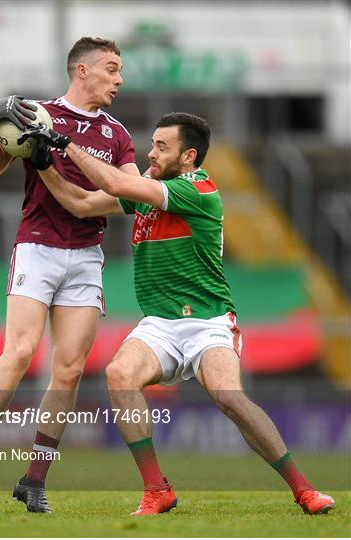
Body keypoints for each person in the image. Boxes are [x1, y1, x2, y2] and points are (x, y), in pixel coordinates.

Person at [17, 113, 336, 516]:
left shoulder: (196, 188)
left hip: (208, 320)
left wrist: (63, 144)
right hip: (160, 324)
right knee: (119, 375)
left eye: (161, 147)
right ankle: (157, 490)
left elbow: (114, 182)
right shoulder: (149, 190)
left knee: (227, 395)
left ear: (188, 157)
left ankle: (304, 490)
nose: (151, 152)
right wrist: (44, 164)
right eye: (152, 142)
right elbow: (80, 203)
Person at [0, 37, 139, 513]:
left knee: (71, 370)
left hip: (85, 256)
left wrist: (52, 167)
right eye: (111, 68)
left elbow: (126, 193)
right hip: (37, 248)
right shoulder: (35, 115)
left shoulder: (118, 136)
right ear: (81, 70)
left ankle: (34, 479)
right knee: (18, 352)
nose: (119, 79)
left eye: (119, 70)